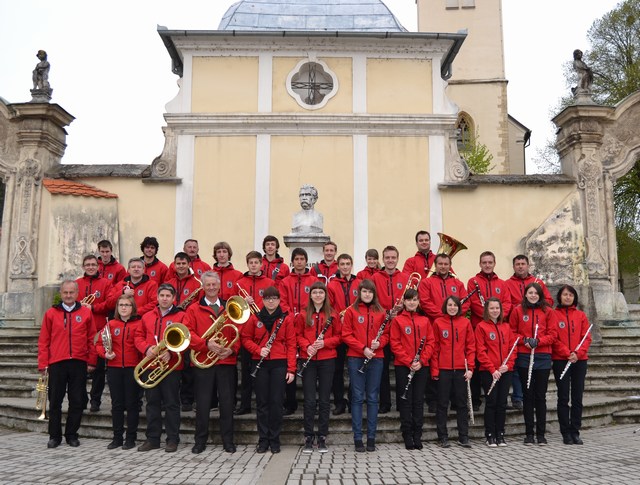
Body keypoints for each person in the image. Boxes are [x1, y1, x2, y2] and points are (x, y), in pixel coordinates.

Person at [184, 271, 241, 454]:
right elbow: (187, 334)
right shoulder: (193, 309)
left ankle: (228, 441)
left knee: (227, 404)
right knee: (202, 403)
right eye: (207, 285)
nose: (211, 288)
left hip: (226, 362)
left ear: (219, 286)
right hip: (203, 362)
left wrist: (232, 349)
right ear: (203, 286)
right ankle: (200, 441)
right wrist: (206, 343)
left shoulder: (229, 307)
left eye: (214, 285)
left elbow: (238, 332)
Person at [38, 280, 97, 448]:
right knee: (55, 401)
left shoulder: (86, 313)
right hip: (57, 362)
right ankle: (54, 436)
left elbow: (92, 339)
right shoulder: (50, 313)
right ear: (61, 293)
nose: (69, 296)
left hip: (78, 362)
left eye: (72, 292)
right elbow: (44, 341)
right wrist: (43, 365)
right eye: (65, 292)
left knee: (77, 400)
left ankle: (71, 434)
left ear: (77, 293)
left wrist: (92, 360)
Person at [242, 286, 296, 454]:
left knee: (276, 403)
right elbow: (245, 338)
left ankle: (275, 439)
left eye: (274, 298)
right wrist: (258, 350)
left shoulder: (285, 319)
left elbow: (292, 344)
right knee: (262, 403)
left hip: (279, 364)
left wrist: (292, 369)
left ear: (279, 300)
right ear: (263, 300)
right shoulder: (254, 318)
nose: (271, 301)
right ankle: (263, 439)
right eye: (267, 298)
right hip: (260, 364)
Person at [134, 284, 186, 453]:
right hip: (151, 365)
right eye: (162, 295)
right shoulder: (147, 316)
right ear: (157, 297)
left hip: (171, 367)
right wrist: (146, 348)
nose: (164, 298)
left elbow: (186, 338)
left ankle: (172, 439)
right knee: (152, 403)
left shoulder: (181, 316)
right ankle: (153, 439)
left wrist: (171, 352)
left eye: (168, 296)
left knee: (172, 404)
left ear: (173, 298)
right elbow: (138, 336)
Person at [341, 280, 389, 452]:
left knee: (373, 397)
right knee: (357, 397)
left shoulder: (381, 312)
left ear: (374, 293)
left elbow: (387, 334)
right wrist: (363, 348)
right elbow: (346, 335)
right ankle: (357, 438)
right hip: (356, 357)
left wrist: (380, 343)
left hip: (376, 358)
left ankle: (371, 437)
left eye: (370, 291)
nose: (367, 294)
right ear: (359, 293)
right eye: (364, 291)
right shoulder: (351, 311)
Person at [509, 283, 558, 446]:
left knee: (540, 397)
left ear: (540, 295)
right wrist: (524, 340)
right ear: (525, 294)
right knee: (527, 396)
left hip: (542, 357)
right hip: (524, 356)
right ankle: (529, 433)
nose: (532, 295)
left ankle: (541, 434)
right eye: (530, 293)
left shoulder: (548, 311)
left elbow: (553, 334)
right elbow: (512, 332)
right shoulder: (518, 310)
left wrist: (538, 341)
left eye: (535, 293)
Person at [296, 282, 342, 453]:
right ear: (310, 295)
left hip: (327, 359)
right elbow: (298, 335)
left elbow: (339, 337)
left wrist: (325, 343)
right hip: (307, 359)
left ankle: (322, 436)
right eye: (314, 292)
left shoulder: (333, 315)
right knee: (309, 401)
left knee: (323, 400)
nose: (317, 295)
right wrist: (306, 346)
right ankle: (308, 436)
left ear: (325, 295)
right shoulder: (302, 315)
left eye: (320, 292)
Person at [505, 255, 553, 411]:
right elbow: (504, 303)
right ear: (513, 266)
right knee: (518, 369)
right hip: (518, 328)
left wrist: (535, 304)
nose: (520, 266)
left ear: (528, 265)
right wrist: (518, 308)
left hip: (538, 336)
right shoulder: (507, 284)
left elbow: (549, 302)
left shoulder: (538, 283)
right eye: (517, 264)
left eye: (523, 264)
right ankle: (518, 397)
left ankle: (526, 399)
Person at [466, 251, 512, 411]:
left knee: (495, 363)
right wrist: (488, 317)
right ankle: (477, 398)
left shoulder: (502, 283)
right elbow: (474, 303)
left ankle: (494, 396)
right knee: (479, 365)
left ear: (494, 263)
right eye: (484, 262)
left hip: (498, 328)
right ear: (480, 264)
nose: (487, 265)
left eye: (490, 262)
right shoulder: (473, 281)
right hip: (479, 327)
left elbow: (507, 303)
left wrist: (497, 316)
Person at [96, 294, 142, 450]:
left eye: (127, 305)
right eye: (121, 305)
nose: (123, 307)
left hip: (132, 369)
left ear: (132, 308)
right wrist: (105, 354)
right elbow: (99, 344)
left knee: (132, 405)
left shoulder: (139, 324)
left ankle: (130, 438)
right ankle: (117, 438)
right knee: (117, 405)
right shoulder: (111, 325)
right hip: (114, 369)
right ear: (117, 308)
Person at [390, 288, 434, 450]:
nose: (412, 302)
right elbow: (395, 344)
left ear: (418, 302)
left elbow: (430, 342)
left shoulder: (425, 320)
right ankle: (407, 434)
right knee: (406, 401)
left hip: (421, 366)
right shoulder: (398, 321)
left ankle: (417, 434)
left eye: (415, 299)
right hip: (404, 366)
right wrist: (409, 361)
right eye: (409, 300)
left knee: (418, 400)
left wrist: (421, 361)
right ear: (404, 302)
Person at [233, 251, 275, 415]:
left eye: (256, 262)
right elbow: (233, 306)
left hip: (264, 330)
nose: (254, 265)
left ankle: (263, 403)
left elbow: (274, 303)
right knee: (246, 371)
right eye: (251, 262)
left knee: (264, 371)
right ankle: (245, 404)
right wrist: (244, 301)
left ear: (261, 264)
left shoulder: (269, 282)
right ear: (247, 264)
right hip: (246, 330)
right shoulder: (239, 283)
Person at [431, 295, 475, 449]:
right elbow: (435, 348)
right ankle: (442, 437)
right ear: (445, 306)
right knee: (442, 404)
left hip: (461, 370)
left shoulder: (465, 323)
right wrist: (435, 369)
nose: (452, 308)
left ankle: (463, 436)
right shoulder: (438, 323)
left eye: (455, 305)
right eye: (449, 305)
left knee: (462, 404)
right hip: (443, 370)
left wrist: (470, 368)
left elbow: (470, 347)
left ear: (459, 307)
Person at [552, 284, 592, 445]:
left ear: (574, 297)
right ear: (560, 297)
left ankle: (575, 431)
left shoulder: (581, 315)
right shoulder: (554, 315)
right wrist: (566, 352)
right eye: (565, 294)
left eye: (570, 295)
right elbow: (554, 338)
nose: (567, 297)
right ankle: (565, 432)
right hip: (561, 360)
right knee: (563, 396)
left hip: (579, 361)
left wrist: (578, 353)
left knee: (577, 397)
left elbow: (586, 337)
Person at [475, 298, 516, 447]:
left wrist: (508, 365)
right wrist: (492, 369)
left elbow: (513, 349)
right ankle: (490, 435)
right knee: (491, 402)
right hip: (489, 371)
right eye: (491, 308)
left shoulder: (506, 326)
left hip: (505, 371)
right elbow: (480, 351)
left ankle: (500, 434)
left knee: (502, 403)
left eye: (497, 308)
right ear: (487, 310)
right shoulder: (481, 327)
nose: (494, 311)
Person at [280, 248, 316, 415]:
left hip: (308, 324)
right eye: (297, 259)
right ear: (292, 262)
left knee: (311, 365)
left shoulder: (313, 280)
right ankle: (290, 402)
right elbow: (282, 301)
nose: (299, 262)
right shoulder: (285, 281)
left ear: (306, 261)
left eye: (302, 259)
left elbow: (316, 299)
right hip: (289, 324)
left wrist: (303, 314)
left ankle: (312, 401)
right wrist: (292, 315)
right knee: (291, 362)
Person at [372, 245, 408, 414]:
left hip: (402, 329)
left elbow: (414, 302)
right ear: (383, 259)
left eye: (393, 257)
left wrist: (402, 309)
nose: (390, 260)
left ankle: (403, 402)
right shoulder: (374, 278)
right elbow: (371, 301)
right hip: (383, 327)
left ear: (397, 259)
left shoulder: (406, 278)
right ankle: (385, 403)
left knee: (402, 367)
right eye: (387, 257)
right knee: (383, 367)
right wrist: (387, 312)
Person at [76, 254, 112, 413]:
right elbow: (69, 303)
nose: (90, 267)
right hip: (80, 332)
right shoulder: (77, 283)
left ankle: (95, 400)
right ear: (83, 267)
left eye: (93, 264)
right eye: (87, 264)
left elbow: (110, 304)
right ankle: (82, 399)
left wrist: (93, 308)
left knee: (98, 368)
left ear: (98, 267)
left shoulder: (106, 283)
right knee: (80, 367)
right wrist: (79, 305)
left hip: (98, 331)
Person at [327, 253, 360, 415]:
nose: (345, 267)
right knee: (337, 369)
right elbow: (330, 307)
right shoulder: (332, 285)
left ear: (351, 265)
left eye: (348, 263)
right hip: (339, 331)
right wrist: (338, 316)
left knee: (356, 368)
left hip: (356, 332)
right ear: (338, 266)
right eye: (342, 264)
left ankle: (354, 399)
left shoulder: (359, 283)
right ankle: (339, 402)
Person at [419, 253, 469, 322]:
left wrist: (455, 314)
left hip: (455, 322)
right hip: (434, 323)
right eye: (440, 264)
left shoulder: (458, 283)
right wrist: (442, 316)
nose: (443, 266)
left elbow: (466, 302)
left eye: (446, 264)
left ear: (450, 266)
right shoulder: (426, 282)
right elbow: (425, 302)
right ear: (435, 265)